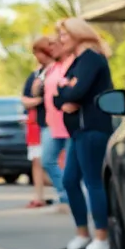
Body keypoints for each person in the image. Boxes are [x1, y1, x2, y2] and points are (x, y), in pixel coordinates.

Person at [53, 18, 115, 249]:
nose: (60, 39)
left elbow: (76, 91)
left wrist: (69, 90)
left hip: (92, 129)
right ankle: (82, 234)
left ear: (78, 34)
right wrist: (66, 92)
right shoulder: (77, 63)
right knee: (69, 181)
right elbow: (59, 97)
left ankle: (102, 238)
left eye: (64, 35)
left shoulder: (91, 59)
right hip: (77, 132)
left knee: (92, 182)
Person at [20, 36, 57, 209]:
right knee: (37, 160)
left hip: (54, 122)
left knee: (50, 160)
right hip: (36, 122)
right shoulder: (36, 74)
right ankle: (39, 196)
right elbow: (27, 97)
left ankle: (64, 193)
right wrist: (35, 100)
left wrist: (38, 98)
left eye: (38, 53)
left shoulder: (56, 70)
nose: (37, 57)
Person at [41, 34, 74, 213]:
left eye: (54, 45)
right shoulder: (52, 67)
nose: (51, 48)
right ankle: (66, 195)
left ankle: (71, 198)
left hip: (68, 123)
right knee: (47, 160)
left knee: (71, 167)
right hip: (52, 123)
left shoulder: (72, 64)